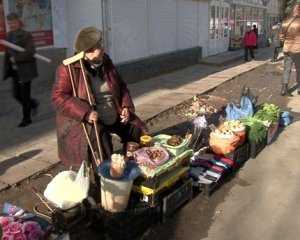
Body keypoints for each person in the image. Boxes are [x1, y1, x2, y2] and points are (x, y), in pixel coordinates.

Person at [52, 26, 147, 172]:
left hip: (113, 113)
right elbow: (58, 97)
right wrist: (85, 112)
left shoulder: (106, 61)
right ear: (85, 53)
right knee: (103, 150)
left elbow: (121, 86)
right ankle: (108, 178)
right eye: (94, 49)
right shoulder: (67, 69)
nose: (100, 50)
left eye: (100, 45)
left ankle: (129, 162)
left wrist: (126, 106)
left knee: (136, 131)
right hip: (92, 120)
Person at [2, 12, 39, 127]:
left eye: (13, 22)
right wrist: (7, 67)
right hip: (14, 71)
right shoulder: (9, 35)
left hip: (25, 70)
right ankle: (33, 104)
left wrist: (16, 59)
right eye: (9, 23)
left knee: (24, 95)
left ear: (18, 22)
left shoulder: (26, 35)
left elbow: (30, 52)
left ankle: (26, 119)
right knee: (16, 94)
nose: (11, 25)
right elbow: (8, 53)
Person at [279, 2, 300, 96]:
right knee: (299, 69)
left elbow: (281, 37)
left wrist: (286, 43)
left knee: (287, 69)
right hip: (298, 49)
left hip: (287, 48)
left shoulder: (285, 21)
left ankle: (284, 89)